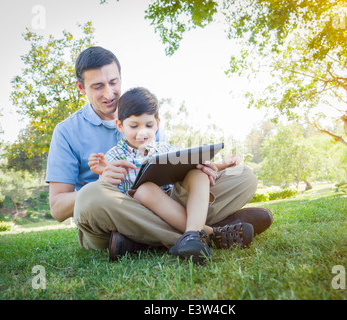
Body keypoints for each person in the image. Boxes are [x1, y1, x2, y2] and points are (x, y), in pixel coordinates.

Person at [46, 46, 273, 261]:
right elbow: (57, 209)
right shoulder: (66, 132)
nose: (109, 93)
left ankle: (140, 243)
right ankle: (211, 234)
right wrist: (102, 181)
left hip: (161, 204)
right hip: (114, 216)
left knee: (242, 176)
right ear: (81, 87)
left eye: (114, 82)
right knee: (90, 195)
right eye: (97, 86)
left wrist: (205, 167)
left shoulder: (143, 114)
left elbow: (169, 167)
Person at [88, 87, 255, 262]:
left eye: (149, 125)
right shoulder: (113, 157)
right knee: (145, 190)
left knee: (197, 173)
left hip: (173, 203)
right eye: (134, 126)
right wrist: (102, 175)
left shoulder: (165, 150)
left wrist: (223, 164)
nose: (142, 132)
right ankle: (212, 234)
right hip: (142, 214)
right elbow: (106, 198)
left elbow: (195, 164)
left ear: (157, 124)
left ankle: (192, 235)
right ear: (120, 126)